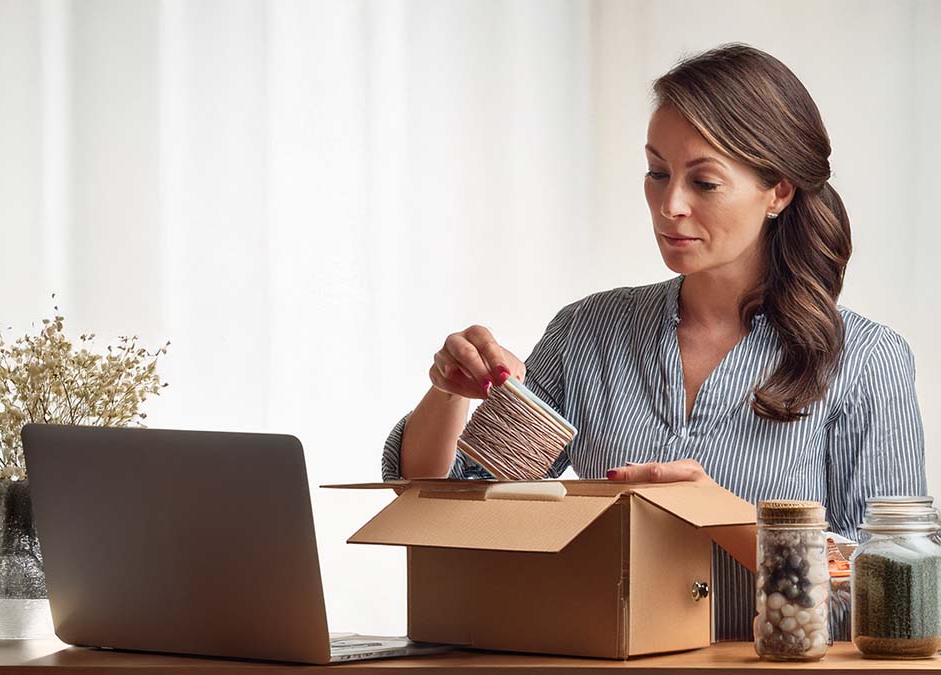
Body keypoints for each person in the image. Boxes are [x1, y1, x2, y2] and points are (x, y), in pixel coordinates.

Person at [380, 43, 926, 643]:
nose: (671, 206)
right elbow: (453, 507)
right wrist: (450, 395)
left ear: (780, 192)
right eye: (657, 172)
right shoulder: (587, 331)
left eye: (705, 182)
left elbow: (892, 602)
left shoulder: (868, 360)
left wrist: (724, 516)